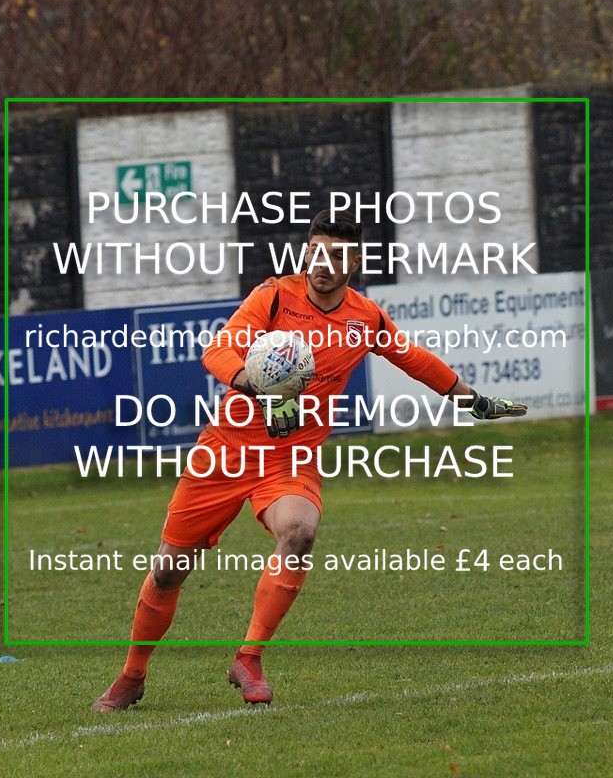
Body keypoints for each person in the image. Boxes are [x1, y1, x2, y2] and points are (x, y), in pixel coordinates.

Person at [92, 209, 527, 711]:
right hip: (226, 452)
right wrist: (255, 383)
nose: (323, 263)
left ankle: (249, 657)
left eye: (337, 254)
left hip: (289, 460)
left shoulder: (366, 318)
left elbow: (416, 360)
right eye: (316, 251)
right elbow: (218, 351)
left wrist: (473, 399)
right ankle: (132, 674)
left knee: (300, 531)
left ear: (356, 260)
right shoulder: (274, 296)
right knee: (169, 570)